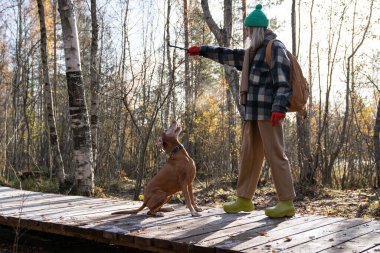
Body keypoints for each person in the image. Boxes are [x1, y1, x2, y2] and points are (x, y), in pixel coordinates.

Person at [187, 4, 296, 218]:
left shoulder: (275, 47)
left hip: (270, 113)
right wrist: (202, 50)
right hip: (252, 113)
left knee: (276, 155)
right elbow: (228, 55)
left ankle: (286, 202)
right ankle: (244, 199)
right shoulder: (251, 53)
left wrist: (279, 108)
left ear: (257, 29)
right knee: (249, 156)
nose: (245, 33)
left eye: (248, 30)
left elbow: (284, 83)